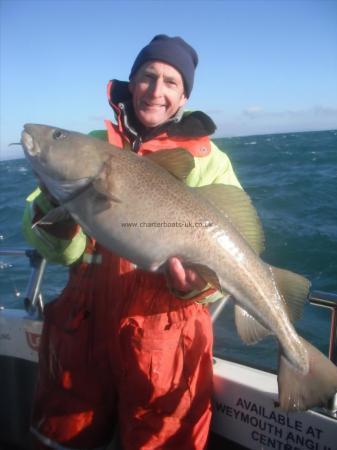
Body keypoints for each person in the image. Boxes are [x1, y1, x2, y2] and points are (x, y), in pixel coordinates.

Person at [22, 35, 242, 450]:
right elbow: (58, 250)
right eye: (148, 76)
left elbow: (226, 259)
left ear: (183, 96)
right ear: (131, 82)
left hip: (165, 347)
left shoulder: (210, 159)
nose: (157, 91)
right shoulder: (92, 144)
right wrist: (53, 203)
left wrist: (197, 284)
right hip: (81, 338)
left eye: (171, 82)